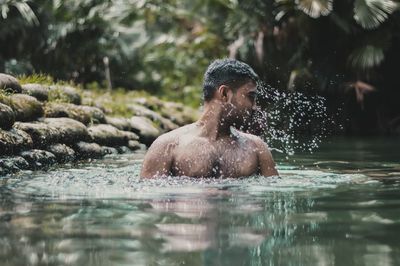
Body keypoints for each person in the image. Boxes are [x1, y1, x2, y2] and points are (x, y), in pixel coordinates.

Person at [140, 58, 278, 178]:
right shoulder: (167, 146)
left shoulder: (256, 148)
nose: (254, 106)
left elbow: (273, 195)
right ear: (224, 93)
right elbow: (153, 202)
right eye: (250, 96)